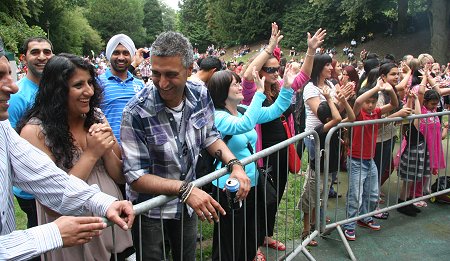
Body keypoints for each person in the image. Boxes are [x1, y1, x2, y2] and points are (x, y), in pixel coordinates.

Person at [0, 38, 134, 261]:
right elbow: (51, 201)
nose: (89, 91)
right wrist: (91, 154)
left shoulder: (96, 117)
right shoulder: (35, 131)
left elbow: (52, 183)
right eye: (78, 85)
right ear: (58, 91)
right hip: (70, 233)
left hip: (107, 223)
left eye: (90, 83)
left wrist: (106, 202)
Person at [120, 31, 249, 261]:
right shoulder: (135, 112)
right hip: (149, 210)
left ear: (189, 69)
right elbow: (135, 176)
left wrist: (235, 164)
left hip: (187, 204)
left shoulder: (200, 94)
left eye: (171, 75)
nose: (162, 82)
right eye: (156, 73)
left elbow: (210, 135)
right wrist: (184, 189)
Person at [242, 22, 326, 251]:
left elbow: (304, 76)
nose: (275, 73)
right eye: (270, 69)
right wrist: (269, 48)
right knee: (259, 200)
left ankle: (266, 235)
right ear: (261, 71)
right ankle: (254, 246)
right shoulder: (252, 93)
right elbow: (248, 74)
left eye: (277, 69)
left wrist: (310, 50)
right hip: (261, 157)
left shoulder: (280, 87)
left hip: (280, 153)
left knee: (275, 197)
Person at [207, 65, 297, 260]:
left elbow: (274, 111)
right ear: (222, 90)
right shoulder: (217, 117)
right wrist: (258, 93)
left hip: (252, 183)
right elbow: (244, 125)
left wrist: (287, 87)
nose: (240, 87)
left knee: (249, 235)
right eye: (235, 84)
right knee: (230, 239)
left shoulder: (242, 110)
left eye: (240, 83)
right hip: (229, 188)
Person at [7, 38, 54, 254]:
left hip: (54, 178)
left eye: (47, 51)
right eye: (35, 52)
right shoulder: (17, 96)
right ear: (24, 58)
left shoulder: (54, 90)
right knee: (40, 242)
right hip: (30, 189)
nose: (42, 57)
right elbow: (10, 142)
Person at [343, 77, 398, 241]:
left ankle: (364, 217)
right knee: (355, 196)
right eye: (369, 102)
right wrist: (377, 88)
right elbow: (359, 101)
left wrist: (389, 90)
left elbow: (394, 105)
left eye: (374, 102)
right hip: (356, 161)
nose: (371, 105)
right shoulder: (358, 114)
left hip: (370, 160)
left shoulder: (376, 112)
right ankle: (349, 225)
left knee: (373, 193)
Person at [300, 86, 355, 247]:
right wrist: (330, 99)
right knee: (309, 200)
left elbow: (351, 118)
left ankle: (314, 226)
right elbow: (338, 118)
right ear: (327, 118)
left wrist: (343, 100)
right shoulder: (320, 129)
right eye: (335, 110)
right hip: (317, 171)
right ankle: (305, 232)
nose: (339, 113)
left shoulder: (333, 125)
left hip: (329, 170)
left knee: (320, 199)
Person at [97, 34, 145, 143]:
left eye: (126, 53)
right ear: (109, 55)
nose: (121, 57)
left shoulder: (140, 85)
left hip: (136, 151)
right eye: (116, 52)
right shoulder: (98, 83)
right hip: (109, 151)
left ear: (131, 56)